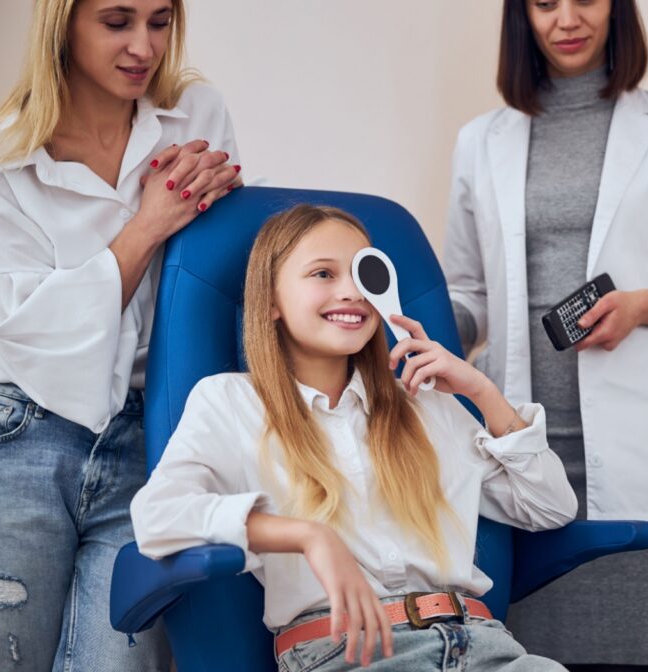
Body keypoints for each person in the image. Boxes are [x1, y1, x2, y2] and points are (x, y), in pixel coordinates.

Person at [442, 1, 648, 670]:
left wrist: (646, 304)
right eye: (545, 4)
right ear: (521, 18)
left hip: (644, 454)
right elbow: (468, 294)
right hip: (522, 452)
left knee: (635, 657)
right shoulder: (480, 140)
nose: (566, 19)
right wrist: (423, 336)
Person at [129, 204, 578, 671]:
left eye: (364, 275)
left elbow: (550, 507)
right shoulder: (230, 402)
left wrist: (480, 391)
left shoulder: (423, 403)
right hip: (349, 654)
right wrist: (308, 536)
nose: (351, 292)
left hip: (485, 647)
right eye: (323, 273)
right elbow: (158, 516)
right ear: (271, 301)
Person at [0, 0, 242, 669]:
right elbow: (31, 336)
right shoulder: (0, 160)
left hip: (151, 441)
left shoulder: (197, 115)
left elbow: (221, 272)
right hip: (20, 433)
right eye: (117, 22)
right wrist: (148, 224)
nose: (144, 48)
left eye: (160, 21)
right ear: (63, 25)